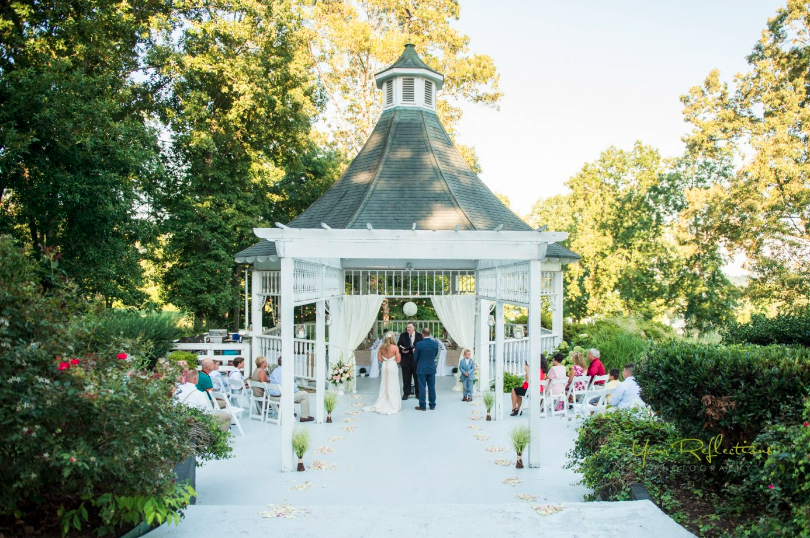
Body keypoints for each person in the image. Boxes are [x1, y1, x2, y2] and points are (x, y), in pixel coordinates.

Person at [366, 333, 402, 415]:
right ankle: (393, 403)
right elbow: (399, 360)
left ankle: (384, 400)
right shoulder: (395, 347)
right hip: (392, 366)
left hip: (385, 366)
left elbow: (379, 359)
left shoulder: (381, 347)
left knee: (384, 383)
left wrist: (385, 361)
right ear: (393, 338)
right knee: (393, 383)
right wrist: (393, 361)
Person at [268, 357, 314, 422]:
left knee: (291, 393)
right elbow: (294, 389)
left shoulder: (274, 371)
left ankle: (292, 412)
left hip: (273, 397)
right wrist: (296, 390)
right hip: (282, 397)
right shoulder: (286, 371)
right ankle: (305, 416)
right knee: (304, 394)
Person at [413, 328, 439, 411]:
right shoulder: (435, 343)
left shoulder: (419, 344)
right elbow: (435, 355)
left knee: (422, 387)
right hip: (431, 367)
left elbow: (415, 357)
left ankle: (422, 406)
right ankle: (432, 405)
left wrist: (419, 360)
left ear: (422, 334)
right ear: (429, 333)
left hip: (421, 368)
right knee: (431, 387)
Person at [397, 323, 423, 401]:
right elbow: (398, 345)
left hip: (416, 361)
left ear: (414, 328)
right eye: (407, 327)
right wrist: (402, 351)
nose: (408, 328)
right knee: (406, 378)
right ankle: (406, 393)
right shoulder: (403, 335)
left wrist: (417, 351)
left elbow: (422, 346)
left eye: (410, 327)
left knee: (417, 378)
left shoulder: (419, 335)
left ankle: (418, 393)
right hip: (405, 360)